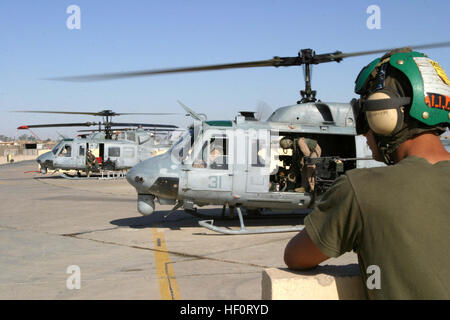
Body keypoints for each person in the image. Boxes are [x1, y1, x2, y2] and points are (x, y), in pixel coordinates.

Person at [284, 49, 450, 299]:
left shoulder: (360, 189)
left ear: (385, 115)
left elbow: (296, 257)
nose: (363, 133)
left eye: (365, 117)